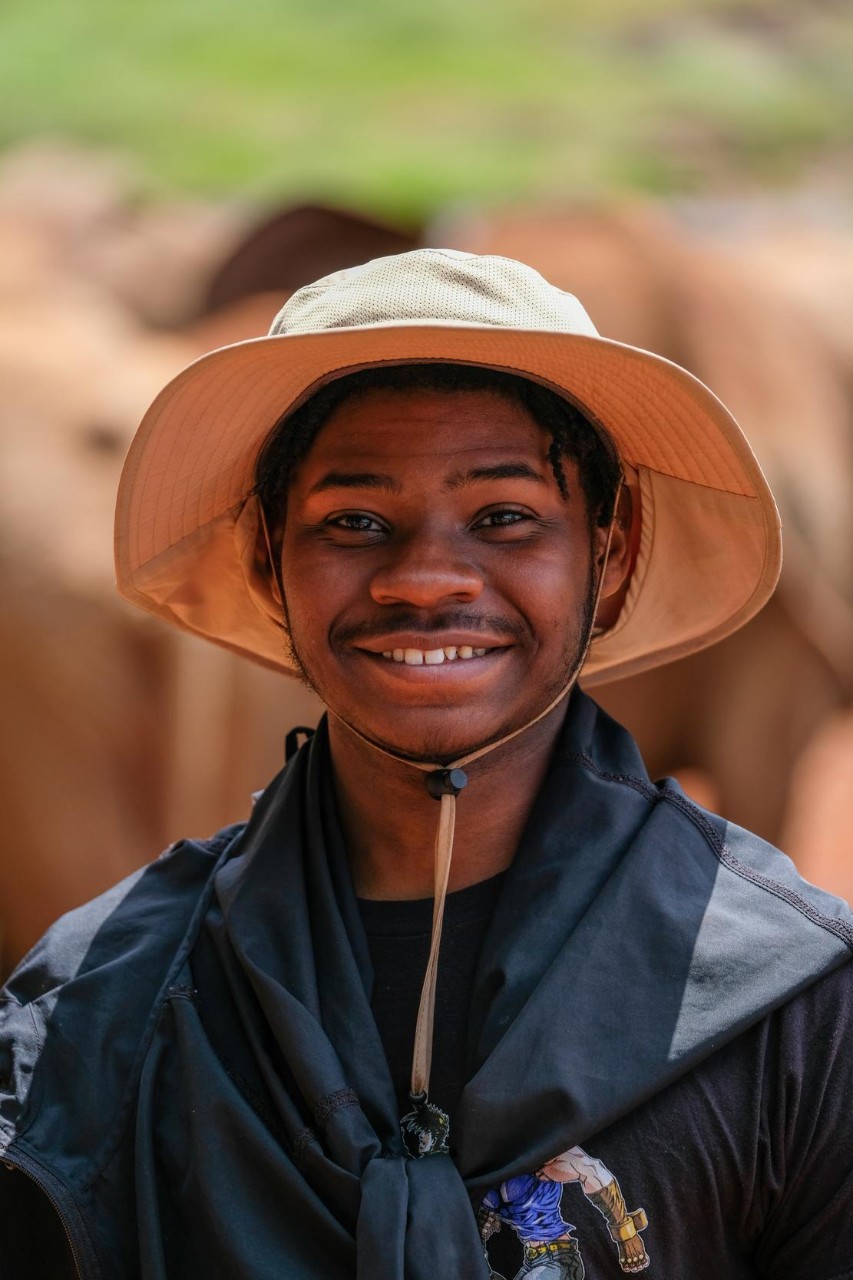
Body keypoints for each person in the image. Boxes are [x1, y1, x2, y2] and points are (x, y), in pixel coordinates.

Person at [1, 249, 851, 1280]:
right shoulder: (97, 1008)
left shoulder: (795, 1013)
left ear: (613, 554)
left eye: (504, 517)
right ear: (268, 559)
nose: (425, 578)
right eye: (355, 522)